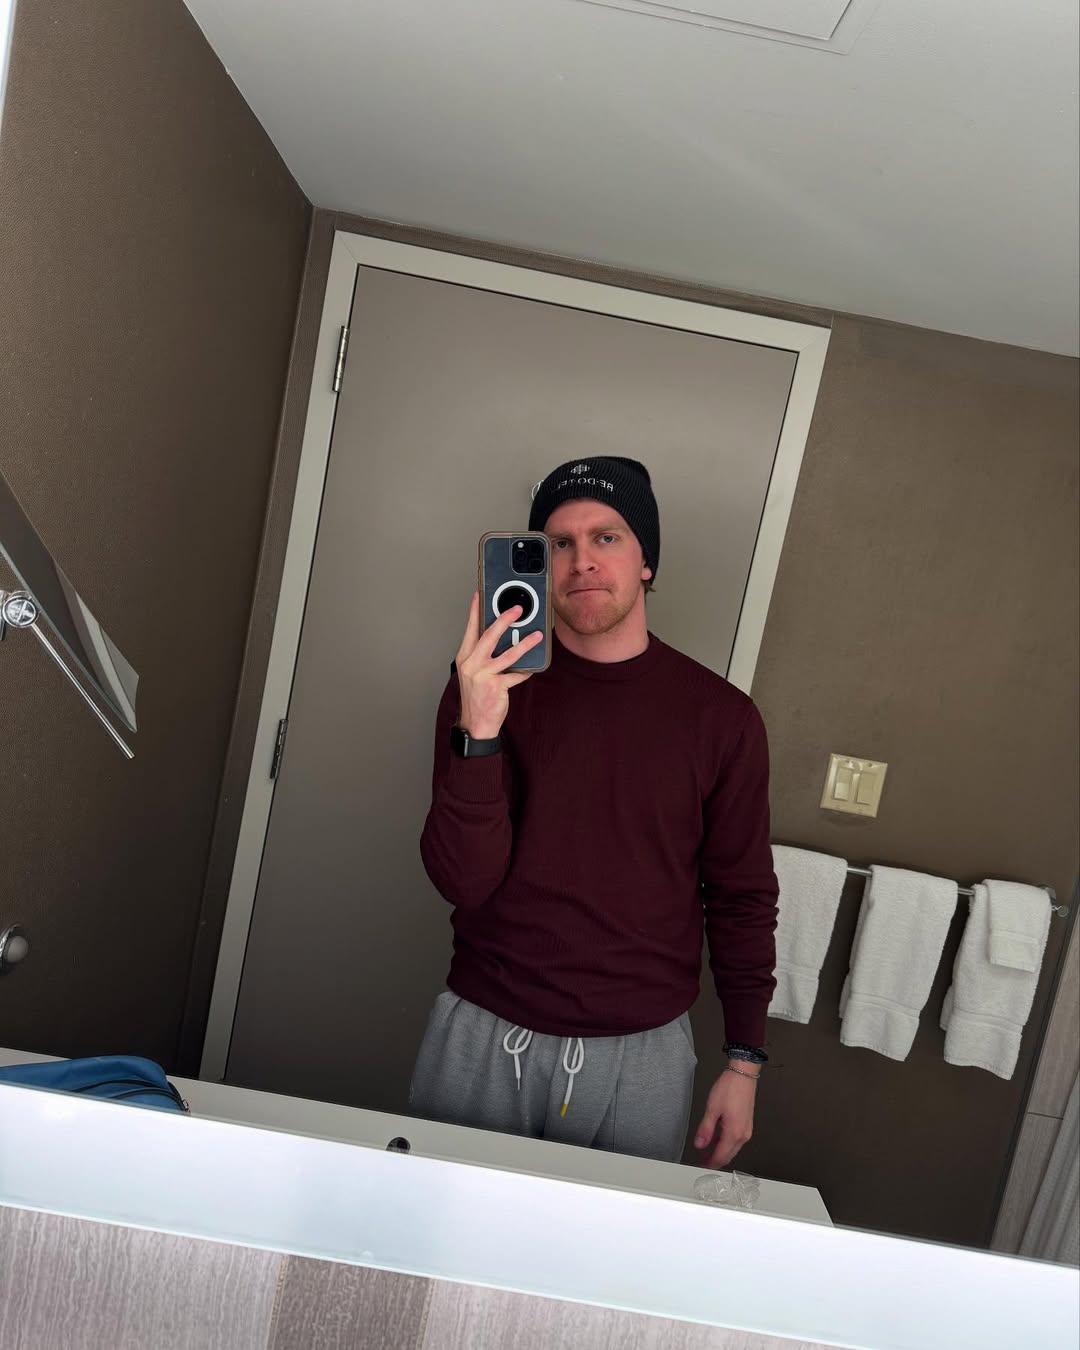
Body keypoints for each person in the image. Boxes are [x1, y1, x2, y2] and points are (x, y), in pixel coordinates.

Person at [411, 457, 778, 1168]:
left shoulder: (722, 719)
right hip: (484, 1028)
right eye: (559, 543)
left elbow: (741, 895)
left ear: (646, 561)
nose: (581, 560)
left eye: (606, 537)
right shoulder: (485, 689)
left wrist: (744, 1061)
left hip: (642, 1052)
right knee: (439, 1225)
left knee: (612, 1235)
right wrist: (479, 728)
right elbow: (463, 880)